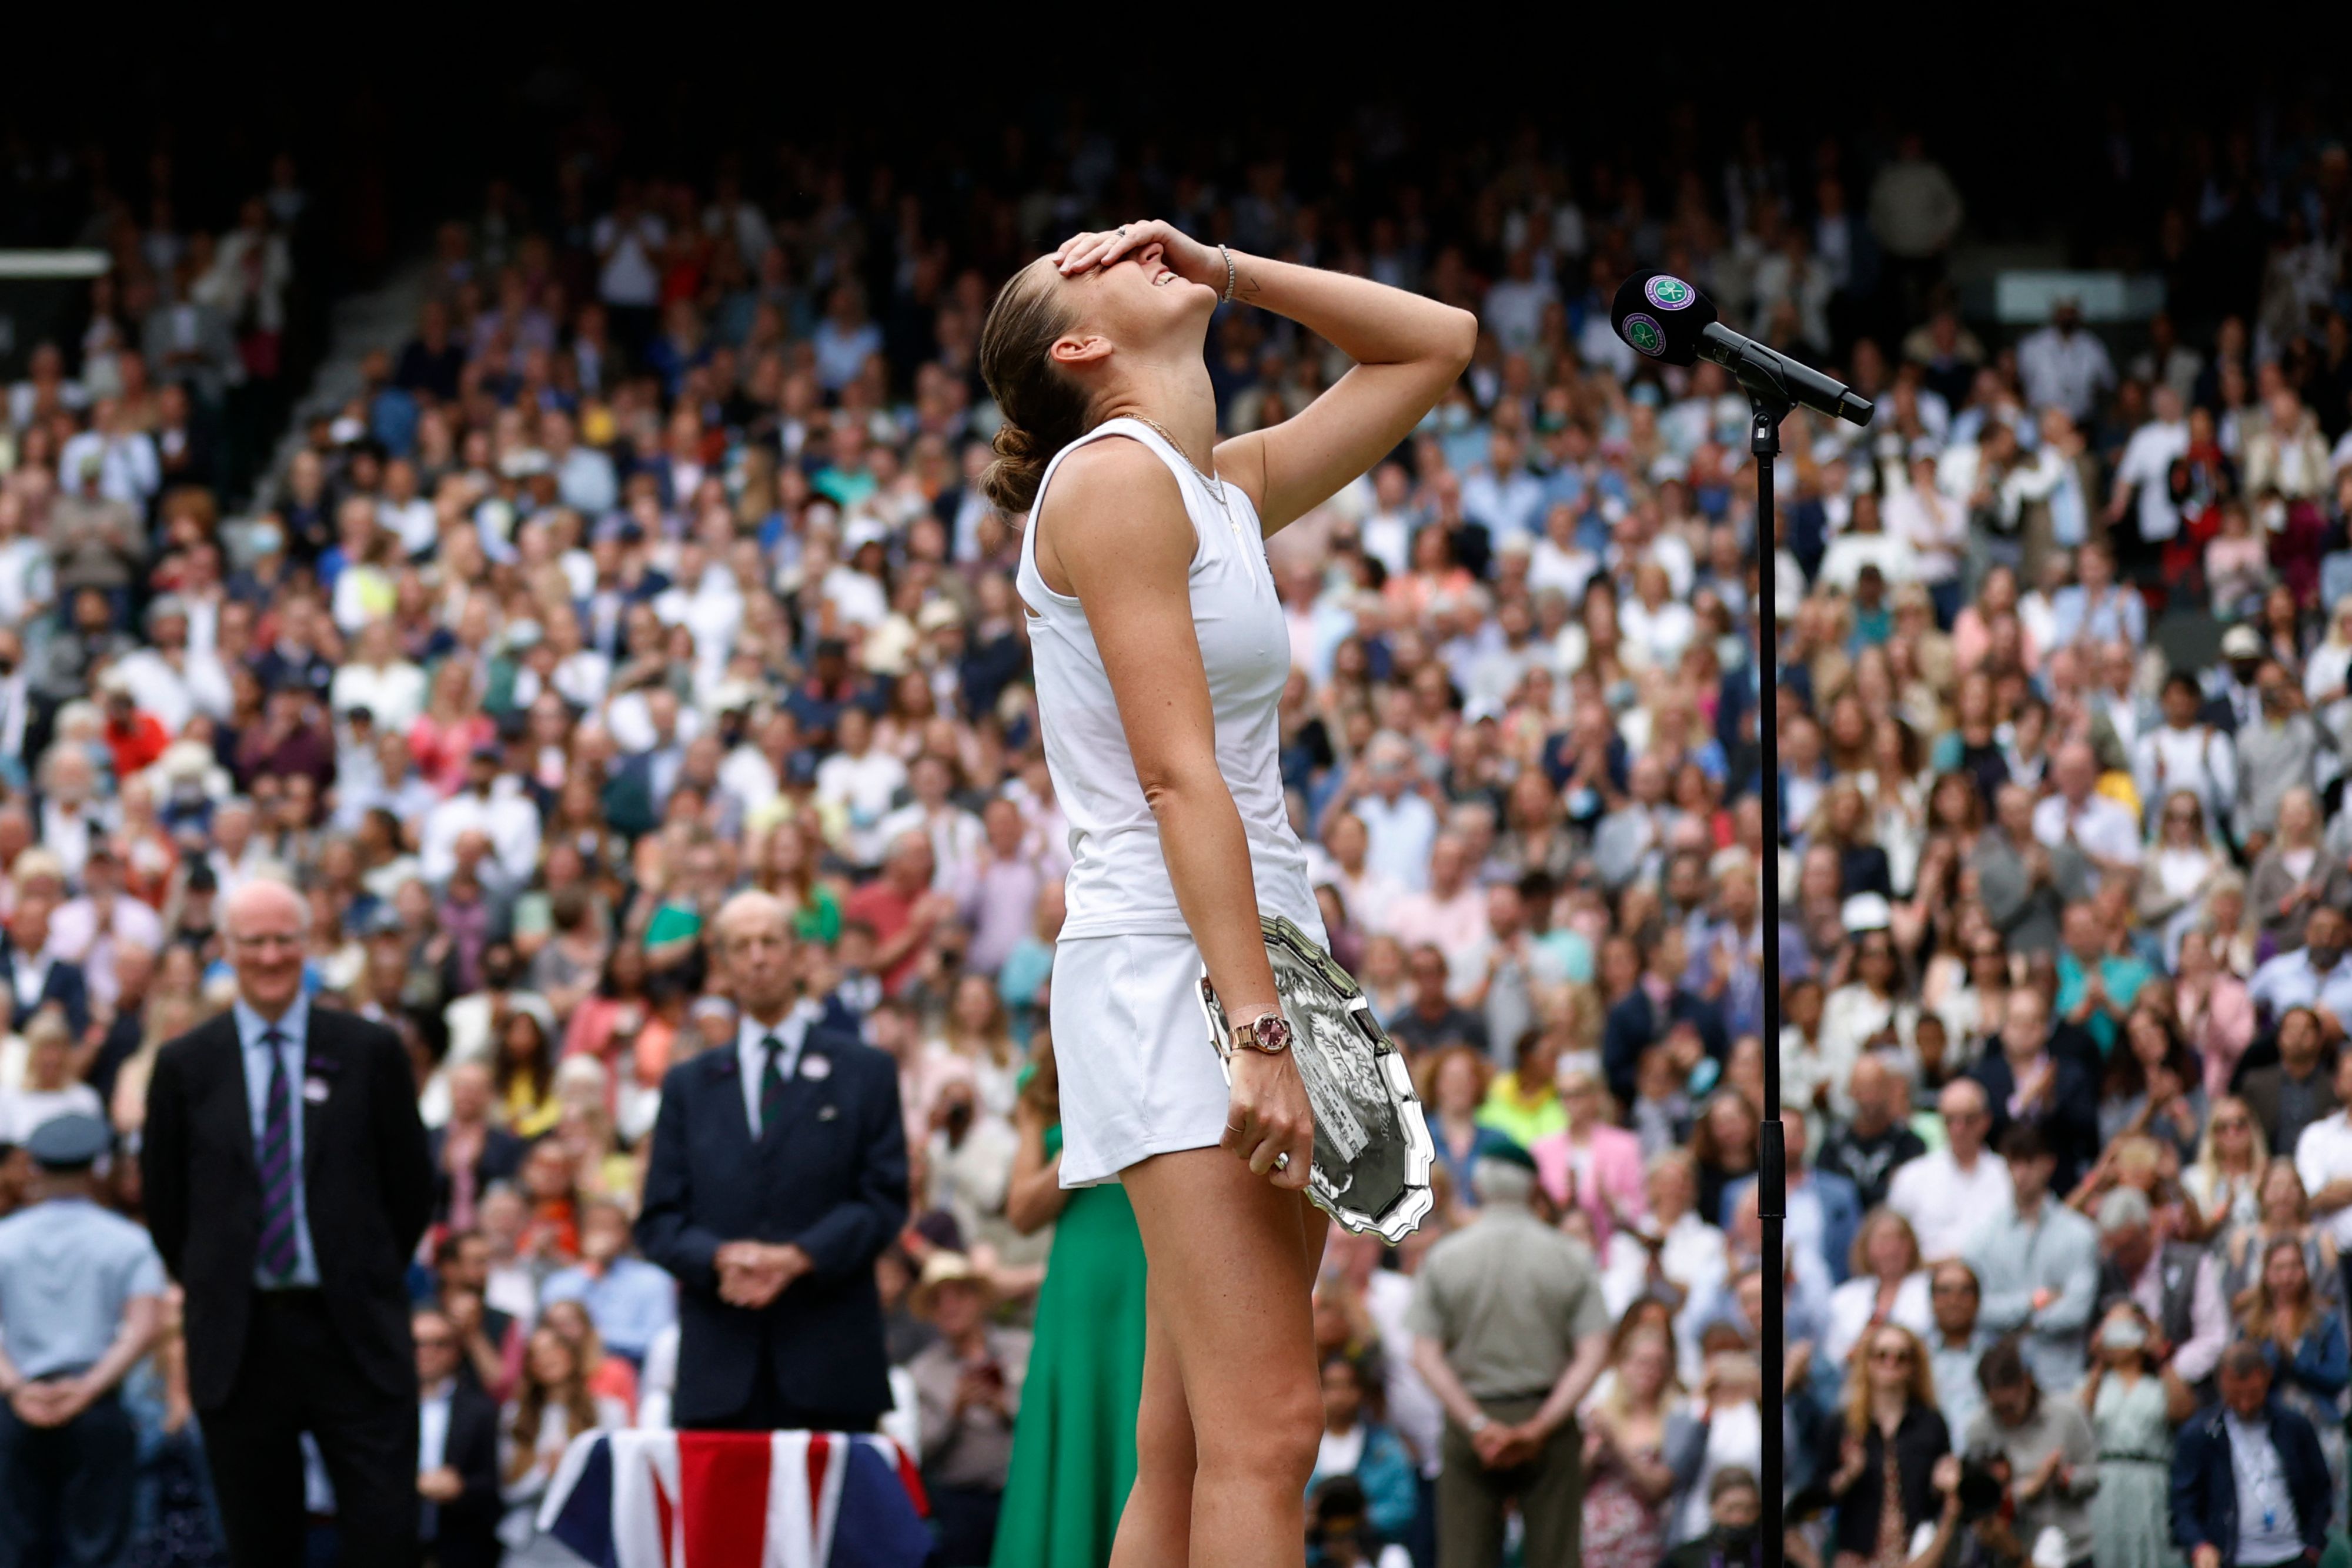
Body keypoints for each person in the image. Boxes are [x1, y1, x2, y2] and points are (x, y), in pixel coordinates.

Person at [981, 214, 1472, 1566]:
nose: (1121, 240)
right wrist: (1255, 1034)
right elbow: (1177, 780)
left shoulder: (1214, 485)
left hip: (1248, 951)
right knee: (1266, 1436)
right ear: (1078, 346)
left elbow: (1437, 344)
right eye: (1083, 258)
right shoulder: (1109, 481)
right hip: (1179, 965)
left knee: (1193, 1442)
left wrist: (1228, 268)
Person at [140, 877, 434, 1568]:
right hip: (241, 1343)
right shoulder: (186, 1065)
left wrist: (361, 1269)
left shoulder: (369, 1052)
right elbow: (165, 1204)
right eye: (254, 942)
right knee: (259, 1545)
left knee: (384, 1537)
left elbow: (412, 1188)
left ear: (307, 945)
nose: (271, 956)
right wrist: (216, 1280)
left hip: (354, 1333)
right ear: (225, 949)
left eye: (284, 940)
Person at [635, 890, 908, 1431]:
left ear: (800, 954)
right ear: (721, 966)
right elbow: (659, 1219)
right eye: (741, 946)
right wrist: (721, 1257)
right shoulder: (688, 1085)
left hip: (832, 1366)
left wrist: (799, 1257)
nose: (758, 957)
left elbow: (885, 1199)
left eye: (770, 942)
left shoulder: (865, 1071)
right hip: (720, 1373)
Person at [1407, 1144, 1612, 1568]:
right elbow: (1594, 1352)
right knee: (1556, 1557)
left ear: (1479, 1186)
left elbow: (1425, 1354)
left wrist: (1478, 1425)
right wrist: (1539, 1426)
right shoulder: (1570, 1256)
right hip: (1547, 1418)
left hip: (1472, 1423)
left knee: (1464, 1558)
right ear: (1534, 1187)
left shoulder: (1445, 1256)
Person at [991, 1041, 1150, 1568]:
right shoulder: (1041, 1083)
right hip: (1078, 1289)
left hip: (1152, 1274)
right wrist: (1084, 1140)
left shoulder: (1170, 1045)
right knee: (1082, 1414)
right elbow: (1022, 1211)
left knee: (1145, 1420)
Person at [0, 1114, 165, 1568]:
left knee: (16, 1547)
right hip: (95, 1406)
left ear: (34, 1166)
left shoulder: (5, 1239)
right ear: (96, 1167)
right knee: (98, 1547)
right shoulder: (128, 1240)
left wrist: (17, 1386)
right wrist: (90, 1386)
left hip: (19, 1406)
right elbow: (143, 1327)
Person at [906, 1252, 1030, 1568]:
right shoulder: (922, 1370)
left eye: (958, 1295)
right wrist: (955, 1411)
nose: (949, 1307)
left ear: (977, 1299)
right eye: (937, 1301)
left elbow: (1051, 1424)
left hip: (1024, 1496)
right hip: (960, 1505)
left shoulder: (1024, 1348)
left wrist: (1003, 1407)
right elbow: (920, 1450)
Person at [2170, 1341, 2333, 1568]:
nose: (2245, 1405)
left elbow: (2321, 1490)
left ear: (2267, 1378)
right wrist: (2200, 1545)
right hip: (2232, 1558)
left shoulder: (2295, 1427)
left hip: (2293, 1555)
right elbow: (2182, 1505)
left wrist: (2314, 1546)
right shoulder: (2201, 1434)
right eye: (2236, 1395)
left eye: (2253, 1394)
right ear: (2221, 1384)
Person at [1965, 1126, 2100, 1393]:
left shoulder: (2079, 1234)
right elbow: (1977, 1310)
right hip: (2000, 1381)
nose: (2021, 1173)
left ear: (2048, 1165)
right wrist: (2033, 1302)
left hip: (2060, 1379)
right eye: (2014, 1163)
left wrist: (2014, 1323)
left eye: (2029, 1162)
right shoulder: (1983, 1237)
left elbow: (2076, 1311)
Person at [2233, 1233, 2350, 1506]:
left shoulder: (2325, 1321)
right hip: (2268, 1427)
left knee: (2326, 1511)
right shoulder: (2250, 1326)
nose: (2287, 1276)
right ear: (2266, 1274)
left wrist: (2297, 1360)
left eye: (2295, 1267)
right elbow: (2240, 1379)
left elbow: (2339, 1375)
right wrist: (2275, 1353)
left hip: (2320, 1424)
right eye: (2279, 1268)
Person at [1822, 1324, 1951, 1568]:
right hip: (1857, 1555)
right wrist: (1848, 1475)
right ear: (1867, 1362)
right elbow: (1819, 1495)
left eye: (1902, 1357)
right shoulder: (1843, 1424)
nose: (1891, 1363)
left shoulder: (1931, 1423)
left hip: (1915, 1555)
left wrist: (1942, 1484)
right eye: (1881, 1355)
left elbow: (1937, 1501)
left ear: (1914, 1367)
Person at [1963, 1337, 2097, 1568]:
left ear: (2027, 1383)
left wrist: (2064, 1479)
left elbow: (2094, 1477)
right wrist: (2024, 1488)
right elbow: (1976, 1501)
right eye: (1998, 1409)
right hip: (2008, 1553)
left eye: (2010, 1407)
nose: (2006, 1416)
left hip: (2071, 1552)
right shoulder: (1979, 1429)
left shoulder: (2067, 1415)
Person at [1579, 1322, 1682, 1568]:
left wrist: (1616, 1445)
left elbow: (1659, 1488)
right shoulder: (1597, 1413)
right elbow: (1573, 1483)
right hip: (1592, 1540)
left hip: (1643, 1542)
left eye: (1658, 1364)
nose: (1649, 1371)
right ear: (1622, 1365)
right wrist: (1592, 1452)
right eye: (1642, 1362)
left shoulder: (1675, 1418)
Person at [2081, 1303, 2174, 1568]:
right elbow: (2080, 1418)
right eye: (2112, 1329)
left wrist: (2161, 1354)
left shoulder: (2157, 1384)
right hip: (2105, 1486)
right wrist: (2099, 1361)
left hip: (2152, 1482)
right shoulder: (2095, 1382)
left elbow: (2182, 1411)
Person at [537, 1197, 676, 1369]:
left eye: (611, 1227)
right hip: (571, 1376)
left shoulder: (654, 1280)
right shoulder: (560, 1282)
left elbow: (659, 1342)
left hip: (632, 1374)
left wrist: (595, 1338)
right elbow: (550, 1336)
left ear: (626, 1234)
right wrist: (592, 1269)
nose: (603, 1234)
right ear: (581, 1232)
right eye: (595, 1226)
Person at [412, 1306, 502, 1568]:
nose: (427, 1352)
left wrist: (461, 1489)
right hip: (396, 1544)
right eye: (416, 1343)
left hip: (461, 1545)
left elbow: (495, 1485)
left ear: (457, 1350)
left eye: (439, 1344)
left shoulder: (481, 1410)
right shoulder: (381, 1411)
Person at [1887, 1078, 2013, 1262]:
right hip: (1928, 1281)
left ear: (1986, 1121)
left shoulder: (2008, 1174)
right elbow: (1896, 1242)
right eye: (1950, 1120)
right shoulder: (1911, 1176)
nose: (1959, 1129)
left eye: (1969, 1119)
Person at [1304, 1350, 1418, 1550]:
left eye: (1347, 1386)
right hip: (1313, 1553)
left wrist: (1357, 1519)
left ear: (1361, 1391)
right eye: (1330, 1386)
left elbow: (1403, 1508)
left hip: (1372, 1551)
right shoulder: (1302, 1448)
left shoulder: (1385, 1448)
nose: (1339, 1396)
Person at [1824, 1209, 1935, 1370]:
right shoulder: (1843, 1298)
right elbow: (1831, 1358)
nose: (1890, 1250)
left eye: (1898, 1241)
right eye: (1882, 1242)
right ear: (1866, 1248)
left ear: (1912, 1246)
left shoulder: (1931, 1289)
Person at [1925, 1261, 1996, 1441]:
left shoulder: (1997, 1353)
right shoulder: (1914, 1355)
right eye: (1944, 1291)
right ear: (1932, 1300)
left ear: (1978, 1300)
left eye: (1965, 1291)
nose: (1954, 1301)